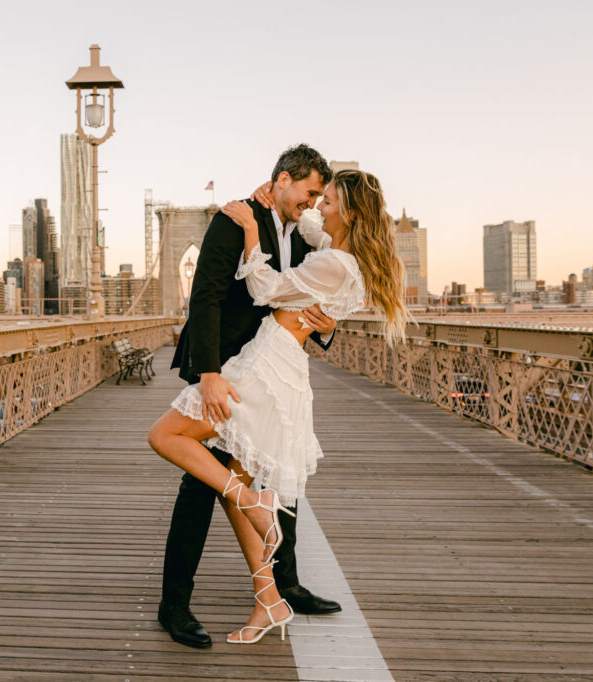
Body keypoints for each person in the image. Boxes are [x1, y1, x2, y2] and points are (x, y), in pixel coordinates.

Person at [149, 157, 409, 645]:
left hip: (265, 365)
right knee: (218, 486)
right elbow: (204, 296)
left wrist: (322, 323)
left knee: (223, 476)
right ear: (282, 181)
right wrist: (207, 372)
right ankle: (192, 602)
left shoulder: (324, 250)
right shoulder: (248, 221)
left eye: (323, 200)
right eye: (311, 195)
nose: (314, 206)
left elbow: (275, 290)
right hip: (230, 364)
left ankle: (275, 588)